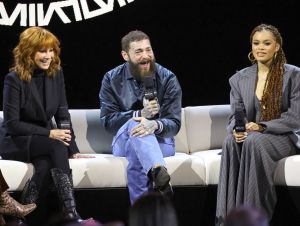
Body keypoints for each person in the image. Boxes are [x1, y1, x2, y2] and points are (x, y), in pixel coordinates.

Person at [0, 27, 93, 225]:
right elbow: (12, 124)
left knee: (44, 165)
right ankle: (70, 211)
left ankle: (19, 219)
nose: (48, 56)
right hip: (15, 140)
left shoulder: (55, 74)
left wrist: (73, 148)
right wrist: (49, 133)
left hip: (44, 140)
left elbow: (62, 113)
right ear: (28, 51)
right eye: (43, 51)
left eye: (51, 50)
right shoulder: (13, 79)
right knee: (56, 146)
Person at [216, 24, 300, 225]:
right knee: (229, 142)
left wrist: (261, 126)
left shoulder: (293, 75)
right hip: (253, 134)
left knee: (255, 142)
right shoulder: (239, 79)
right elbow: (236, 115)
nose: (260, 47)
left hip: (283, 136)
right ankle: (226, 219)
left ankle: (253, 218)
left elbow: (295, 117)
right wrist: (238, 129)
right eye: (256, 43)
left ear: (277, 47)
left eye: (266, 43)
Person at [99, 30, 182, 204]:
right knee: (134, 124)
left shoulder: (168, 78)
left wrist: (155, 125)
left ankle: (141, 216)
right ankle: (158, 172)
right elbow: (107, 122)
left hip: (161, 143)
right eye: (138, 52)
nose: (146, 56)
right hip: (123, 140)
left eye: (148, 50)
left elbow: (174, 124)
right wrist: (139, 115)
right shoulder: (111, 79)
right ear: (125, 55)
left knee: (136, 151)